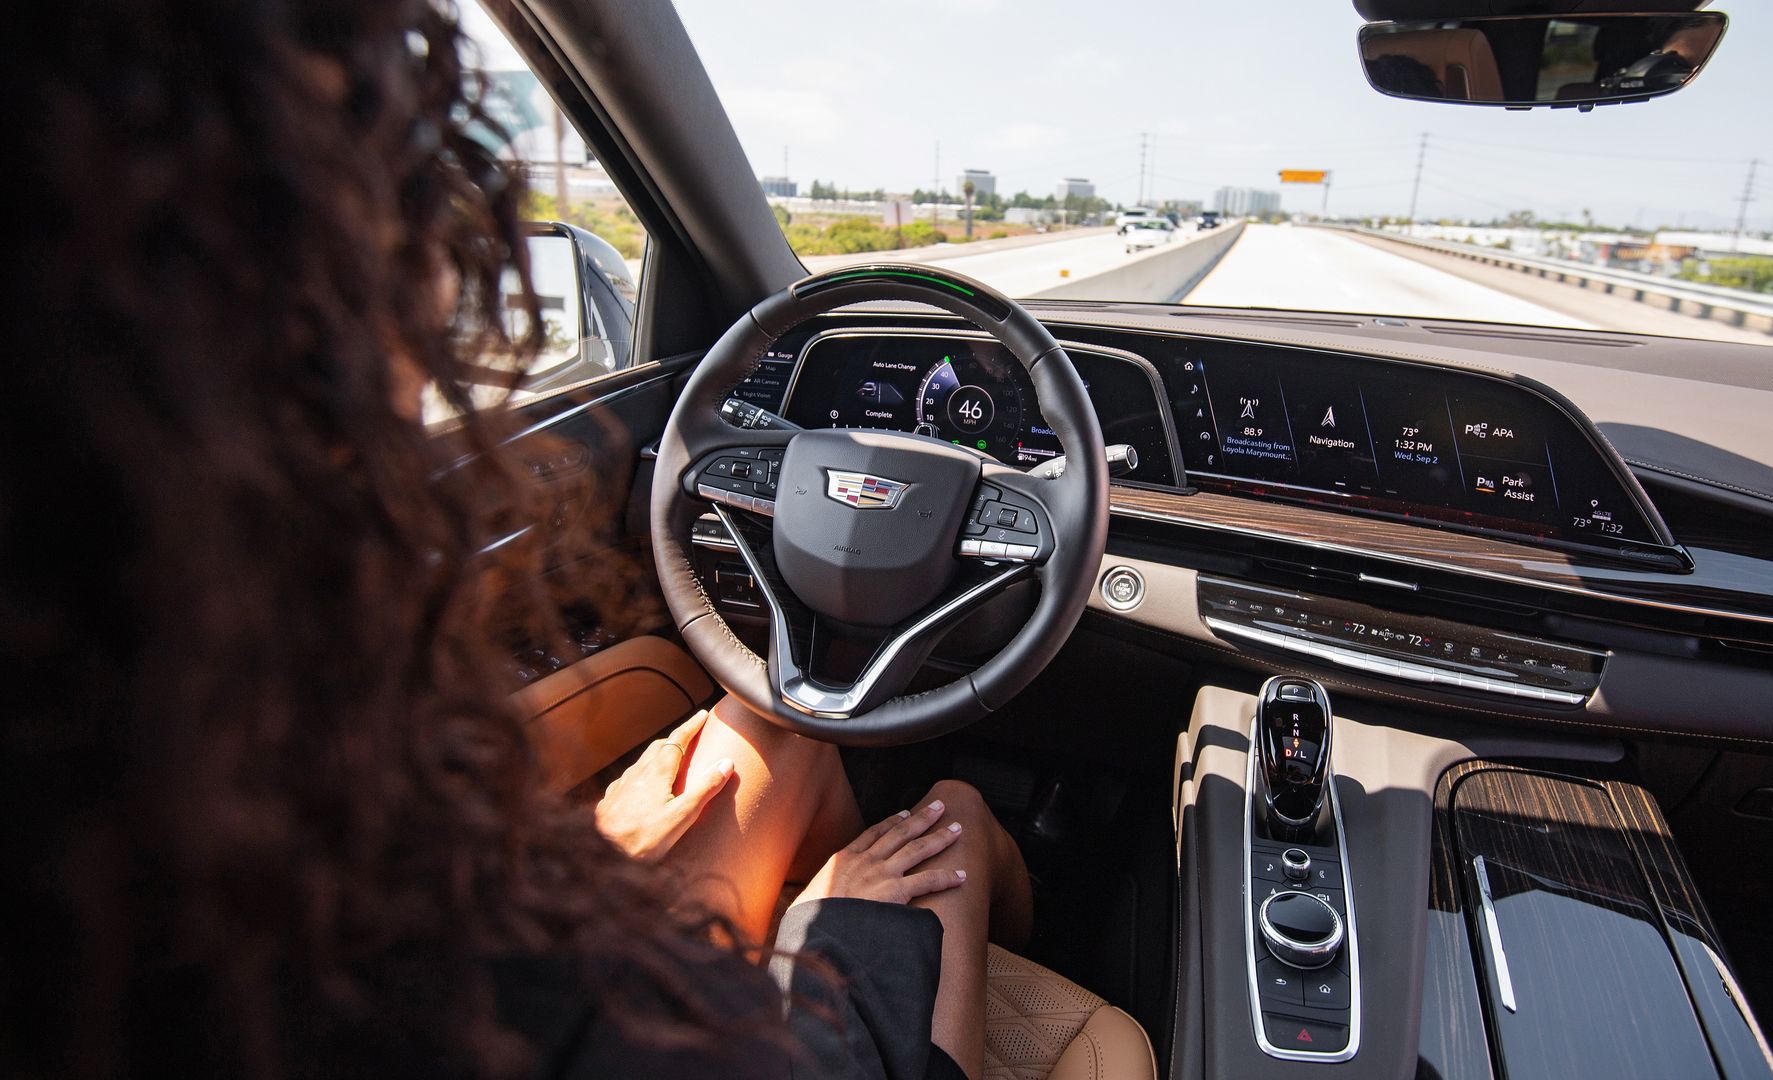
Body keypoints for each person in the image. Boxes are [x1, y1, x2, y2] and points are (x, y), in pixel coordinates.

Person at [2, 1, 1027, 1078]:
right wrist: (818, 935)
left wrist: (587, 859)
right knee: (950, 821)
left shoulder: (173, 808)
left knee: (764, 729)